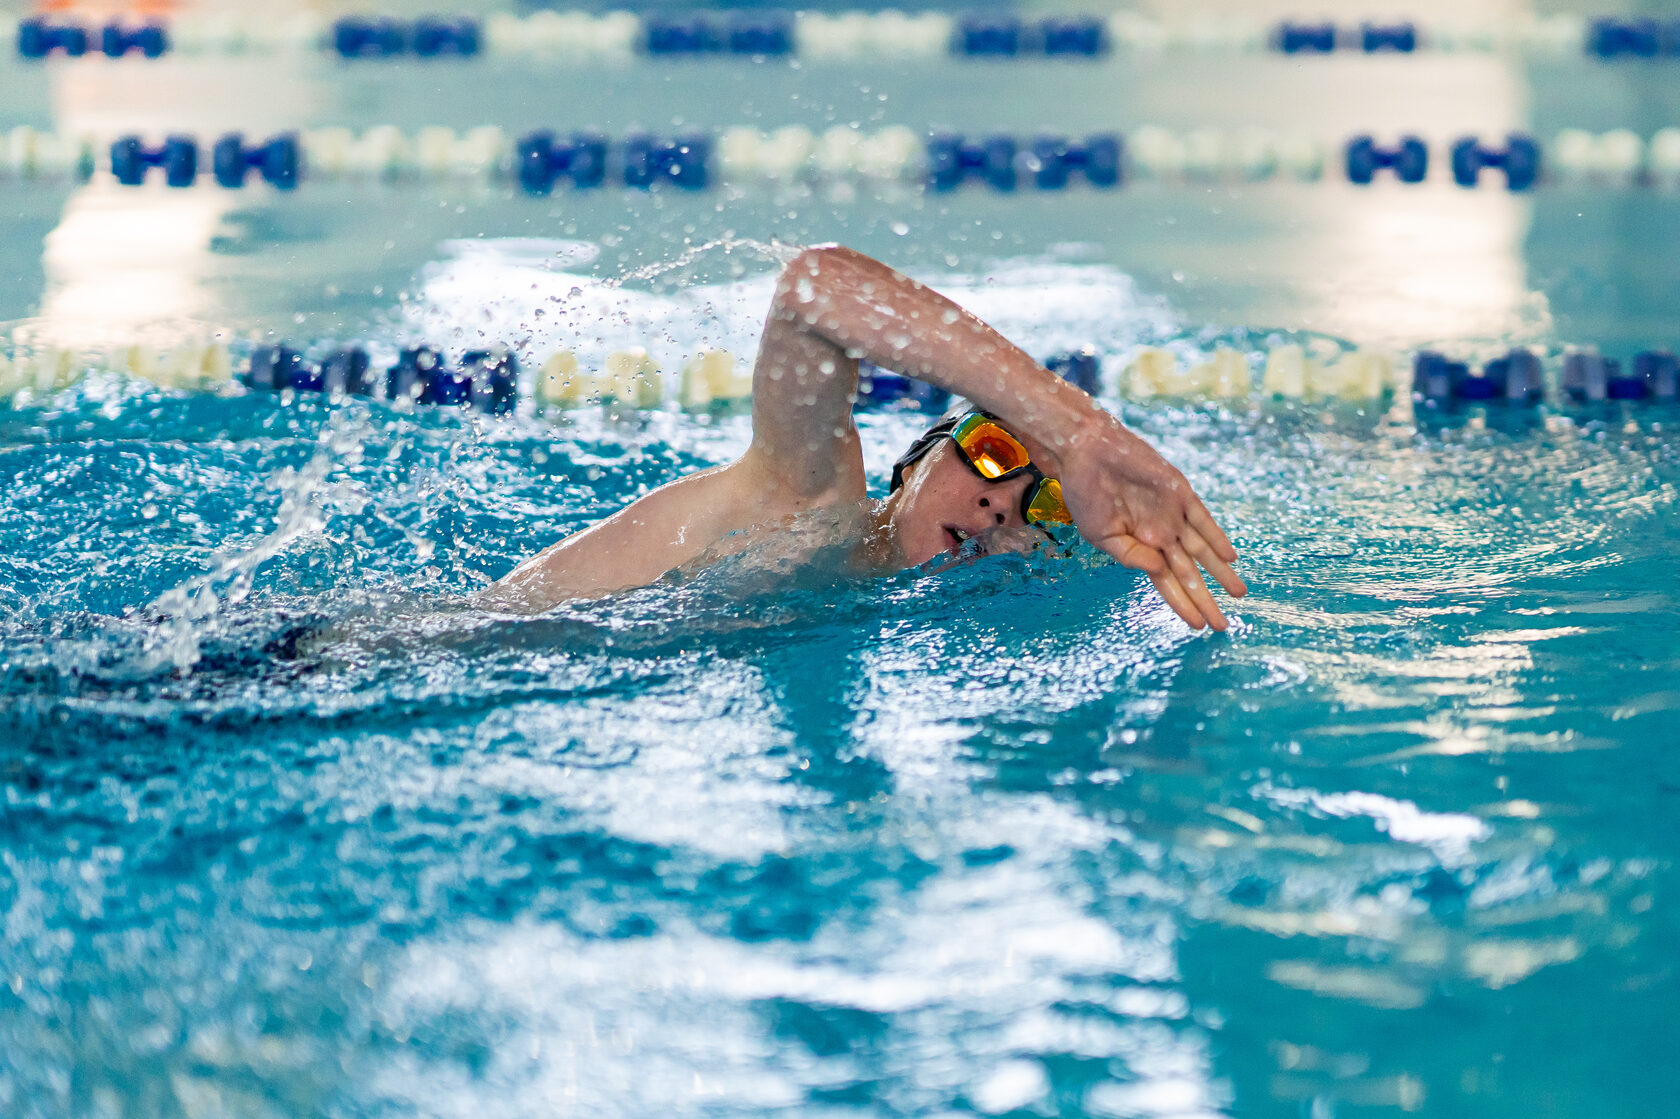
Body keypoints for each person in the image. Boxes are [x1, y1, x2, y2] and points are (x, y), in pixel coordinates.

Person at [476, 244, 1246, 630]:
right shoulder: (805, 496)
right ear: (911, 463)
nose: (998, 506)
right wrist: (1073, 434)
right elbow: (815, 286)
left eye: (1046, 507)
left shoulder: (873, 605)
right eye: (995, 453)